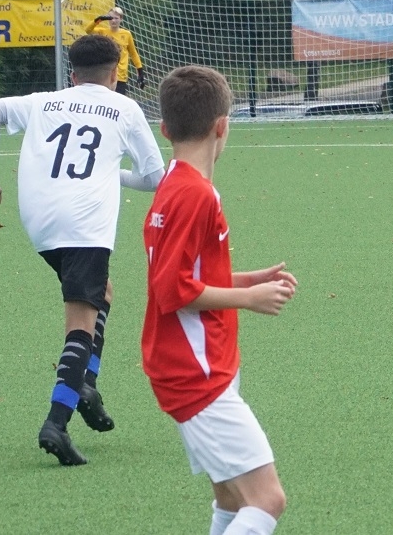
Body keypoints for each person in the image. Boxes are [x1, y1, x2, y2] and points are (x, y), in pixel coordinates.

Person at [0, 34, 165, 465]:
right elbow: (156, 179)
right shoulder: (125, 108)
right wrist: (113, 173)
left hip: (40, 225)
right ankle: (56, 423)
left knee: (102, 292)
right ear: (114, 75)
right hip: (84, 227)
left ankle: (86, 384)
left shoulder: (45, 101)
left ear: (72, 75)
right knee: (81, 322)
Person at [142, 65, 297, 535]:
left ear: (165, 129)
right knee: (267, 500)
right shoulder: (194, 195)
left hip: (202, 363)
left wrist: (246, 279)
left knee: (231, 496)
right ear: (222, 126)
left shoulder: (177, 183)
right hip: (195, 372)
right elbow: (172, 292)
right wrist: (248, 298)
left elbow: (183, 274)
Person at [86, 6, 146, 95]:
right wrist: (99, 19)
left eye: (116, 18)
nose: (113, 21)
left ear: (121, 19)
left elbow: (133, 54)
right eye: (111, 18)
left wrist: (140, 72)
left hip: (120, 76)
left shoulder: (127, 34)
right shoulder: (103, 32)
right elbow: (88, 30)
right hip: (105, 75)